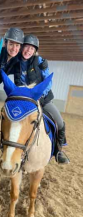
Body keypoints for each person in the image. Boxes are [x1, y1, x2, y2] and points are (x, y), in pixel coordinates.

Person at [14, 34, 70, 164]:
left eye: (32, 49)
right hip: (25, 100)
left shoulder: (40, 62)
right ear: (22, 48)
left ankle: (59, 151)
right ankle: (6, 145)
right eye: (26, 47)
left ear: (35, 51)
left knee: (60, 123)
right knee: (12, 118)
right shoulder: (16, 63)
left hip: (43, 99)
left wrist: (39, 94)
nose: (28, 51)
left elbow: (48, 82)